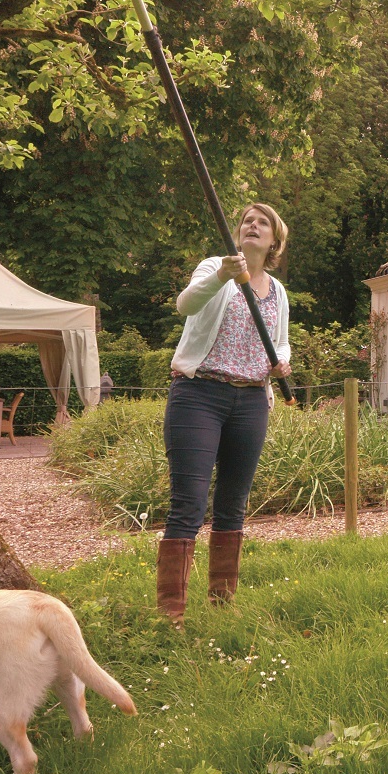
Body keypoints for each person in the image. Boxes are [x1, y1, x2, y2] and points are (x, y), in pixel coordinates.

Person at [155, 204, 292, 619]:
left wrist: (282, 362)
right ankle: (171, 615)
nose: (253, 225)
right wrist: (221, 277)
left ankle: (221, 605)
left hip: (251, 401)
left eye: (263, 222)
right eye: (248, 220)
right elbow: (185, 305)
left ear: (274, 240)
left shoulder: (277, 290)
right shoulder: (215, 267)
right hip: (199, 394)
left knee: (233, 504)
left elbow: (280, 341)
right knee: (189, 503)